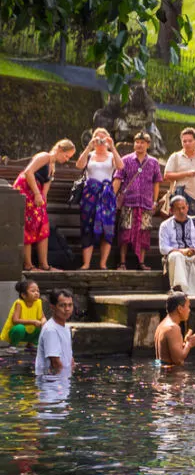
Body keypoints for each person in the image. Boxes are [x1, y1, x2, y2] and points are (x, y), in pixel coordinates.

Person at [13, 139, 76, 271]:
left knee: (43, 226)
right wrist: (36, 193)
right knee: (28, 225)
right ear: (59, 149)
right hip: (27, 189)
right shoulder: (45, 156)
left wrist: (43, 204)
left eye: (69, 157)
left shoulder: (52, 166)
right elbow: (28, 172)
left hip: (37, 194)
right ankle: (28, 265)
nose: (66, 159)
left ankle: (44, 265)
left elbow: (45, 190)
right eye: (66, 156)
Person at [75, 127, 124, 270]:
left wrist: (113, 148)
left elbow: (120, 167)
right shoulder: (89, 155)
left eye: (103, 139)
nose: (100, 142)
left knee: (107, 228)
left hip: (106, 196)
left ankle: (103, 263)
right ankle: (86, 263)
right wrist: (89, 146)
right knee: (87, 227)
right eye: (98, 139)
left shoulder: (111, 156)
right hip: (90, 195)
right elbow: (79, 165)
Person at [113, 131, 163, 270]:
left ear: (148, 145)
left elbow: (156, 182)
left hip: (146, 203)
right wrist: (112, 196)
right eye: (137, 142)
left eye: (142, 142)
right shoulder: (126, 160)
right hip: (129, 202)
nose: (139, 145)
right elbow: (118, 178)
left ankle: (141, 262)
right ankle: (122, 263)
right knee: (125, 231)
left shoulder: (153, 162)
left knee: (144, 232)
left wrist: (154, 201)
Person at [158, 195, 195, 296]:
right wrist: (181, 251)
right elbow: (163, 248)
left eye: (183, 208)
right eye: (178, 209)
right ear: (171, 210)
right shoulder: (165, 225)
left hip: (194, 253)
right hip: (177, 255)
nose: (181, 211)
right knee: (176, 256)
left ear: (187, 207)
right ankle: (178, 288)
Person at [163, 127, 195, 219]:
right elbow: (166, 176)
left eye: (190, 141)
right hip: (178, 198)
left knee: (193, 229)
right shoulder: (175, 157)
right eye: (184, 141)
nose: (187, 144)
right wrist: (186, 174)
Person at [154, 292, 195, 366]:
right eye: (188, 307)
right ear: (180, 309)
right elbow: (178, 360)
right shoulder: (173, 328)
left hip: (164, 372)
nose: (189, 310)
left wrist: (186, 343)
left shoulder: (162, 324)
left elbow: (170, 352)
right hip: (171, 375)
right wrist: (189, 344)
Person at [35, 289, 75, 376]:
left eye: (70, 305)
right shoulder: (51, 330)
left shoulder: (66, 328)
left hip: (62, 382)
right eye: (62, 305)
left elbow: (69, 358)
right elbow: (55, 363)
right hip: (52, 383)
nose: (67, 309)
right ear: (53, 307)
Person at [1, 279, 45, 352]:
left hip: (29, 332)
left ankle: (31, 344)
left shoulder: (38, 303)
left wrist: (43, 322)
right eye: (33, 291)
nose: (36, 293)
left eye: (38, 291)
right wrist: (33, 322)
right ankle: (12, 346)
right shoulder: (19, 303)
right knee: (20, 328)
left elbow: (43, 317)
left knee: (43, 326)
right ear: (23, 295)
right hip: (17, 332)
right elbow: (15, 320)